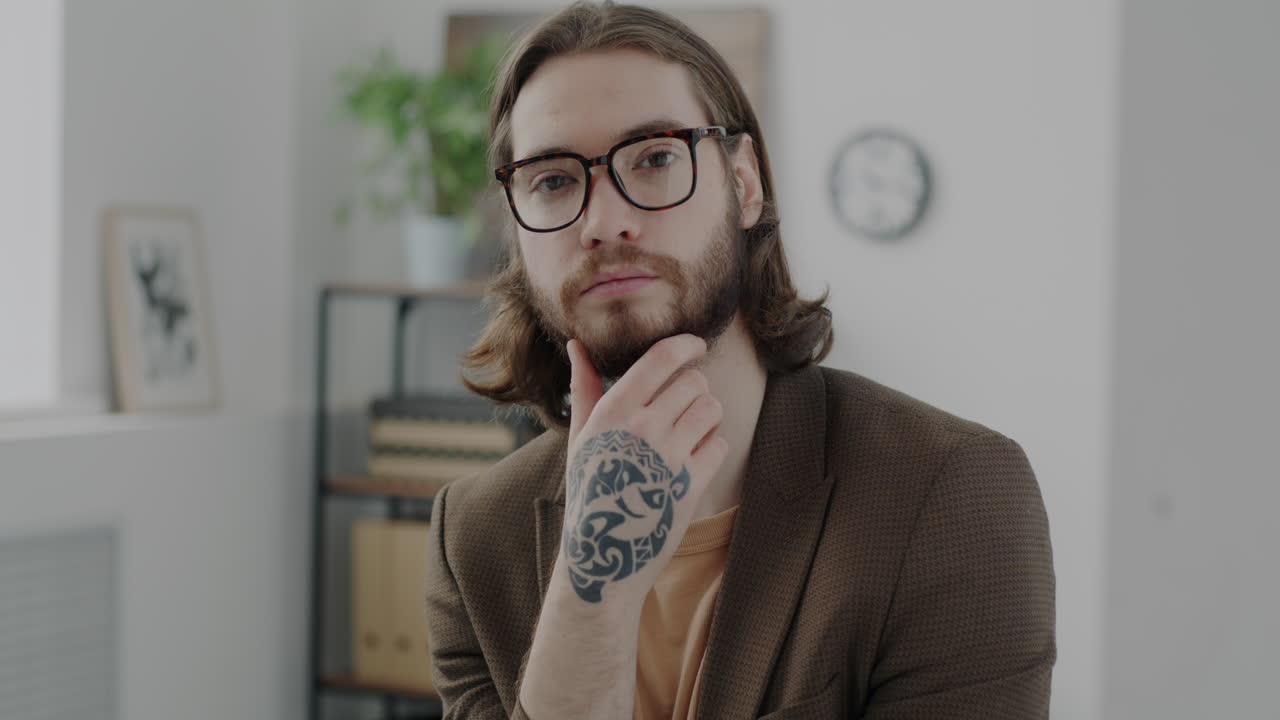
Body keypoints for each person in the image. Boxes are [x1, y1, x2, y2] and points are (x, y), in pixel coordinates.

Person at [424, 2, 1056, 718]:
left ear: (744, 183)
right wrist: (590, 595)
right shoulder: (474, 538)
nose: (604, 221)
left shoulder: (948, 493)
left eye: (656, 158)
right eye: (554, 180)